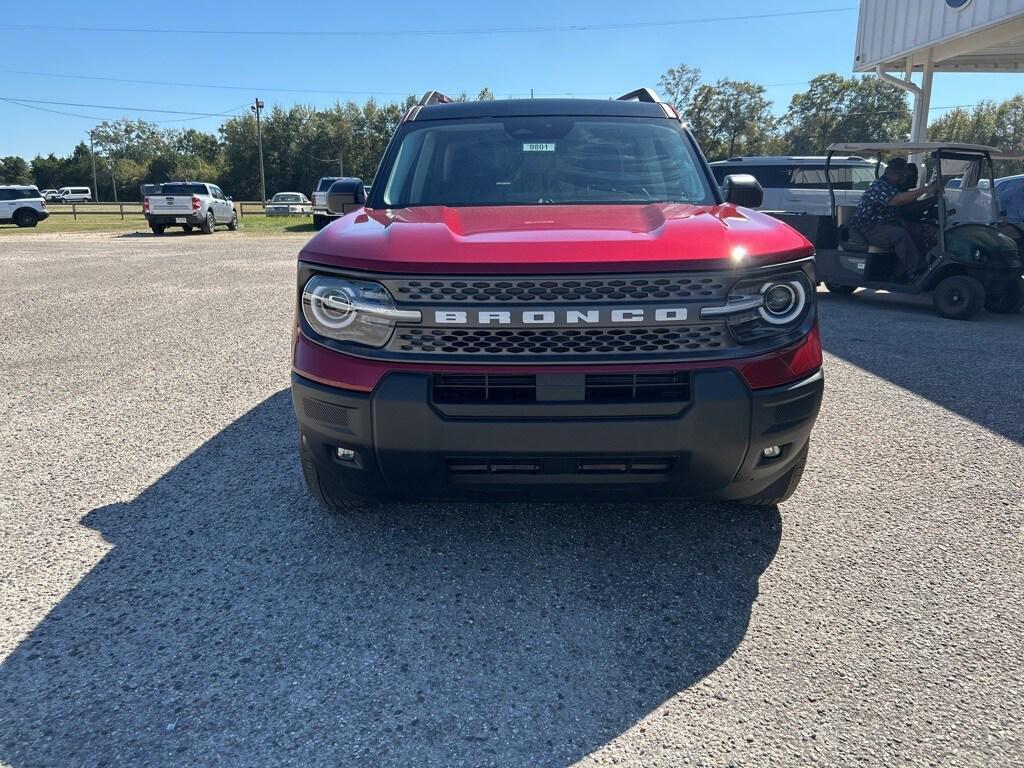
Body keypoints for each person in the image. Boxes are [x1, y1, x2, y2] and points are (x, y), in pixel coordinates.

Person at [853, 157, 940, 278]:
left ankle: (902, 270)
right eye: (903, 175)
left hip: (886, 224)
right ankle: (916, 271)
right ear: (893, 174)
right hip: (868, 227)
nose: (904, 179)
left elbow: (906, 206)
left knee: (919, 231)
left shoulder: (892, 187)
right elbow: (897, 200)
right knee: (899, 235)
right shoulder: (879, 186)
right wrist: (925, 189)